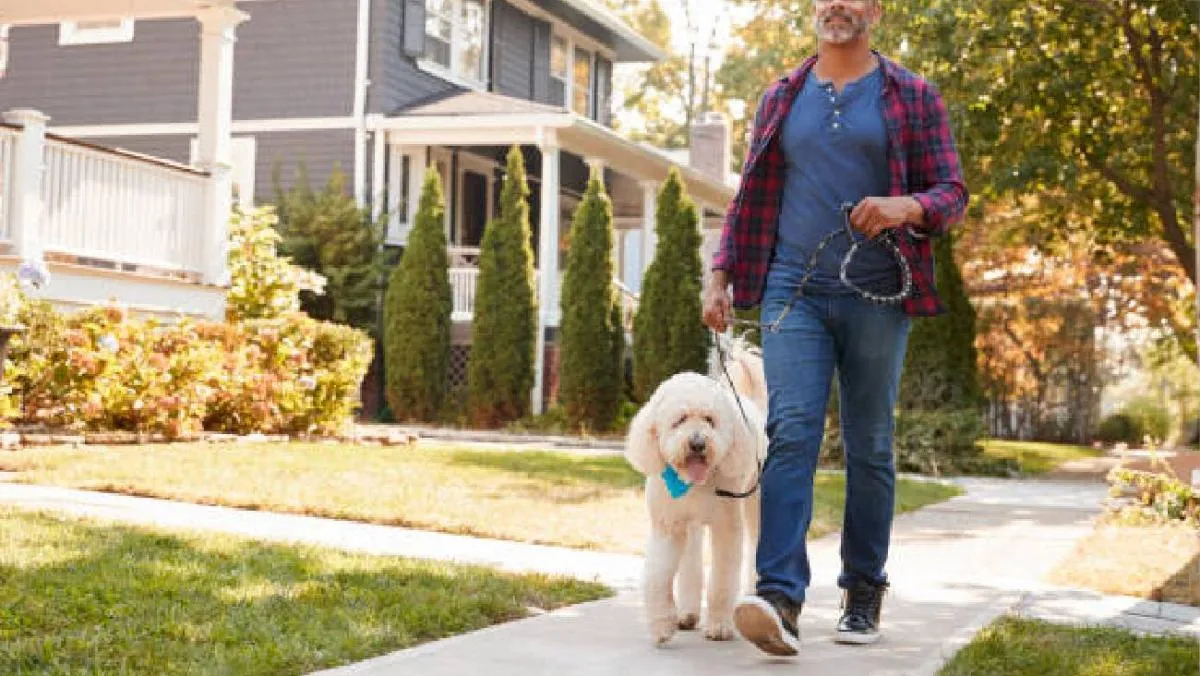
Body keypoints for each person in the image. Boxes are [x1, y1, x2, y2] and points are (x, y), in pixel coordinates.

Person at [701, 0, 968, 656]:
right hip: (793, 288)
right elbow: (749, 196)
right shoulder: (782, 95)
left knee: (869, 442)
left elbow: (952, 192)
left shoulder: (912, 95)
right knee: (792, 431)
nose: (837, 6)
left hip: (877, 290)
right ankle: (779, 598)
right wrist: (720, 274)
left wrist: (908, 205)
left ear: (875, 9)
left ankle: (864, 589)